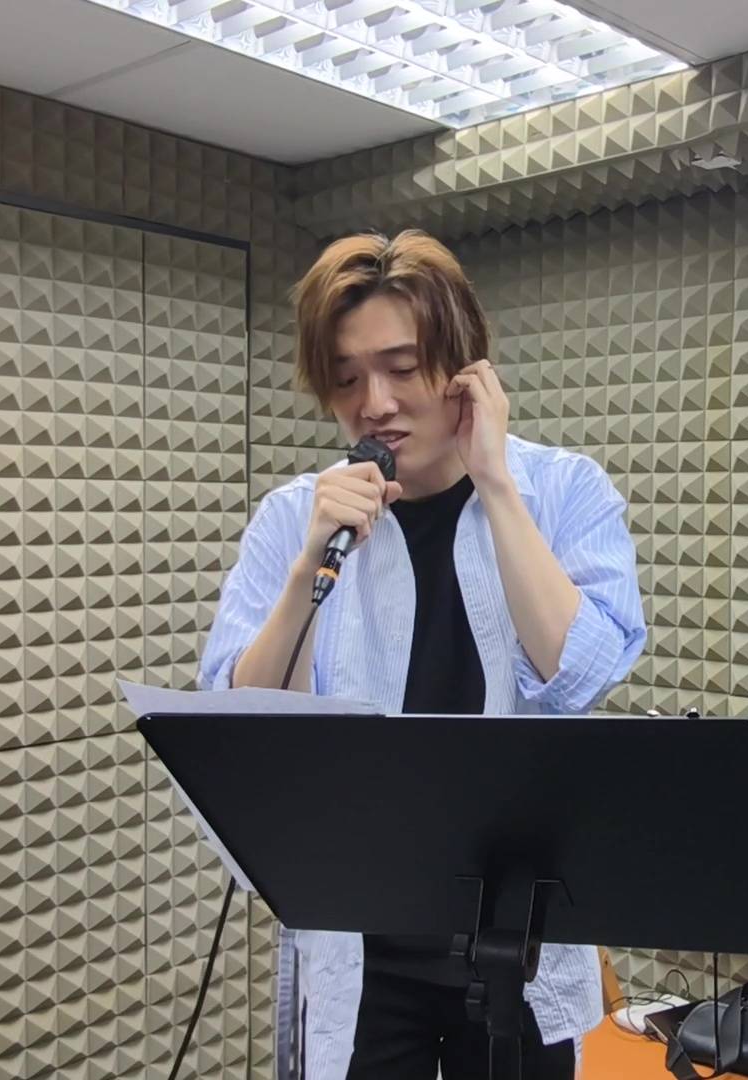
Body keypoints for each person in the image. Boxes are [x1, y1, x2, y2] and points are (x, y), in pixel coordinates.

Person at [198, 229, 648, 1080]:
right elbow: (244, 726)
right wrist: (307, 568)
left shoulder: (564, 491)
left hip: (516, 943)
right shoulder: (294, 517)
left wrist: (497, 484)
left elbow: (580, 674)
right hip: (361, 947)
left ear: (463, 367)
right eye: (346, 379)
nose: (374, 403)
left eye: (402, 369)